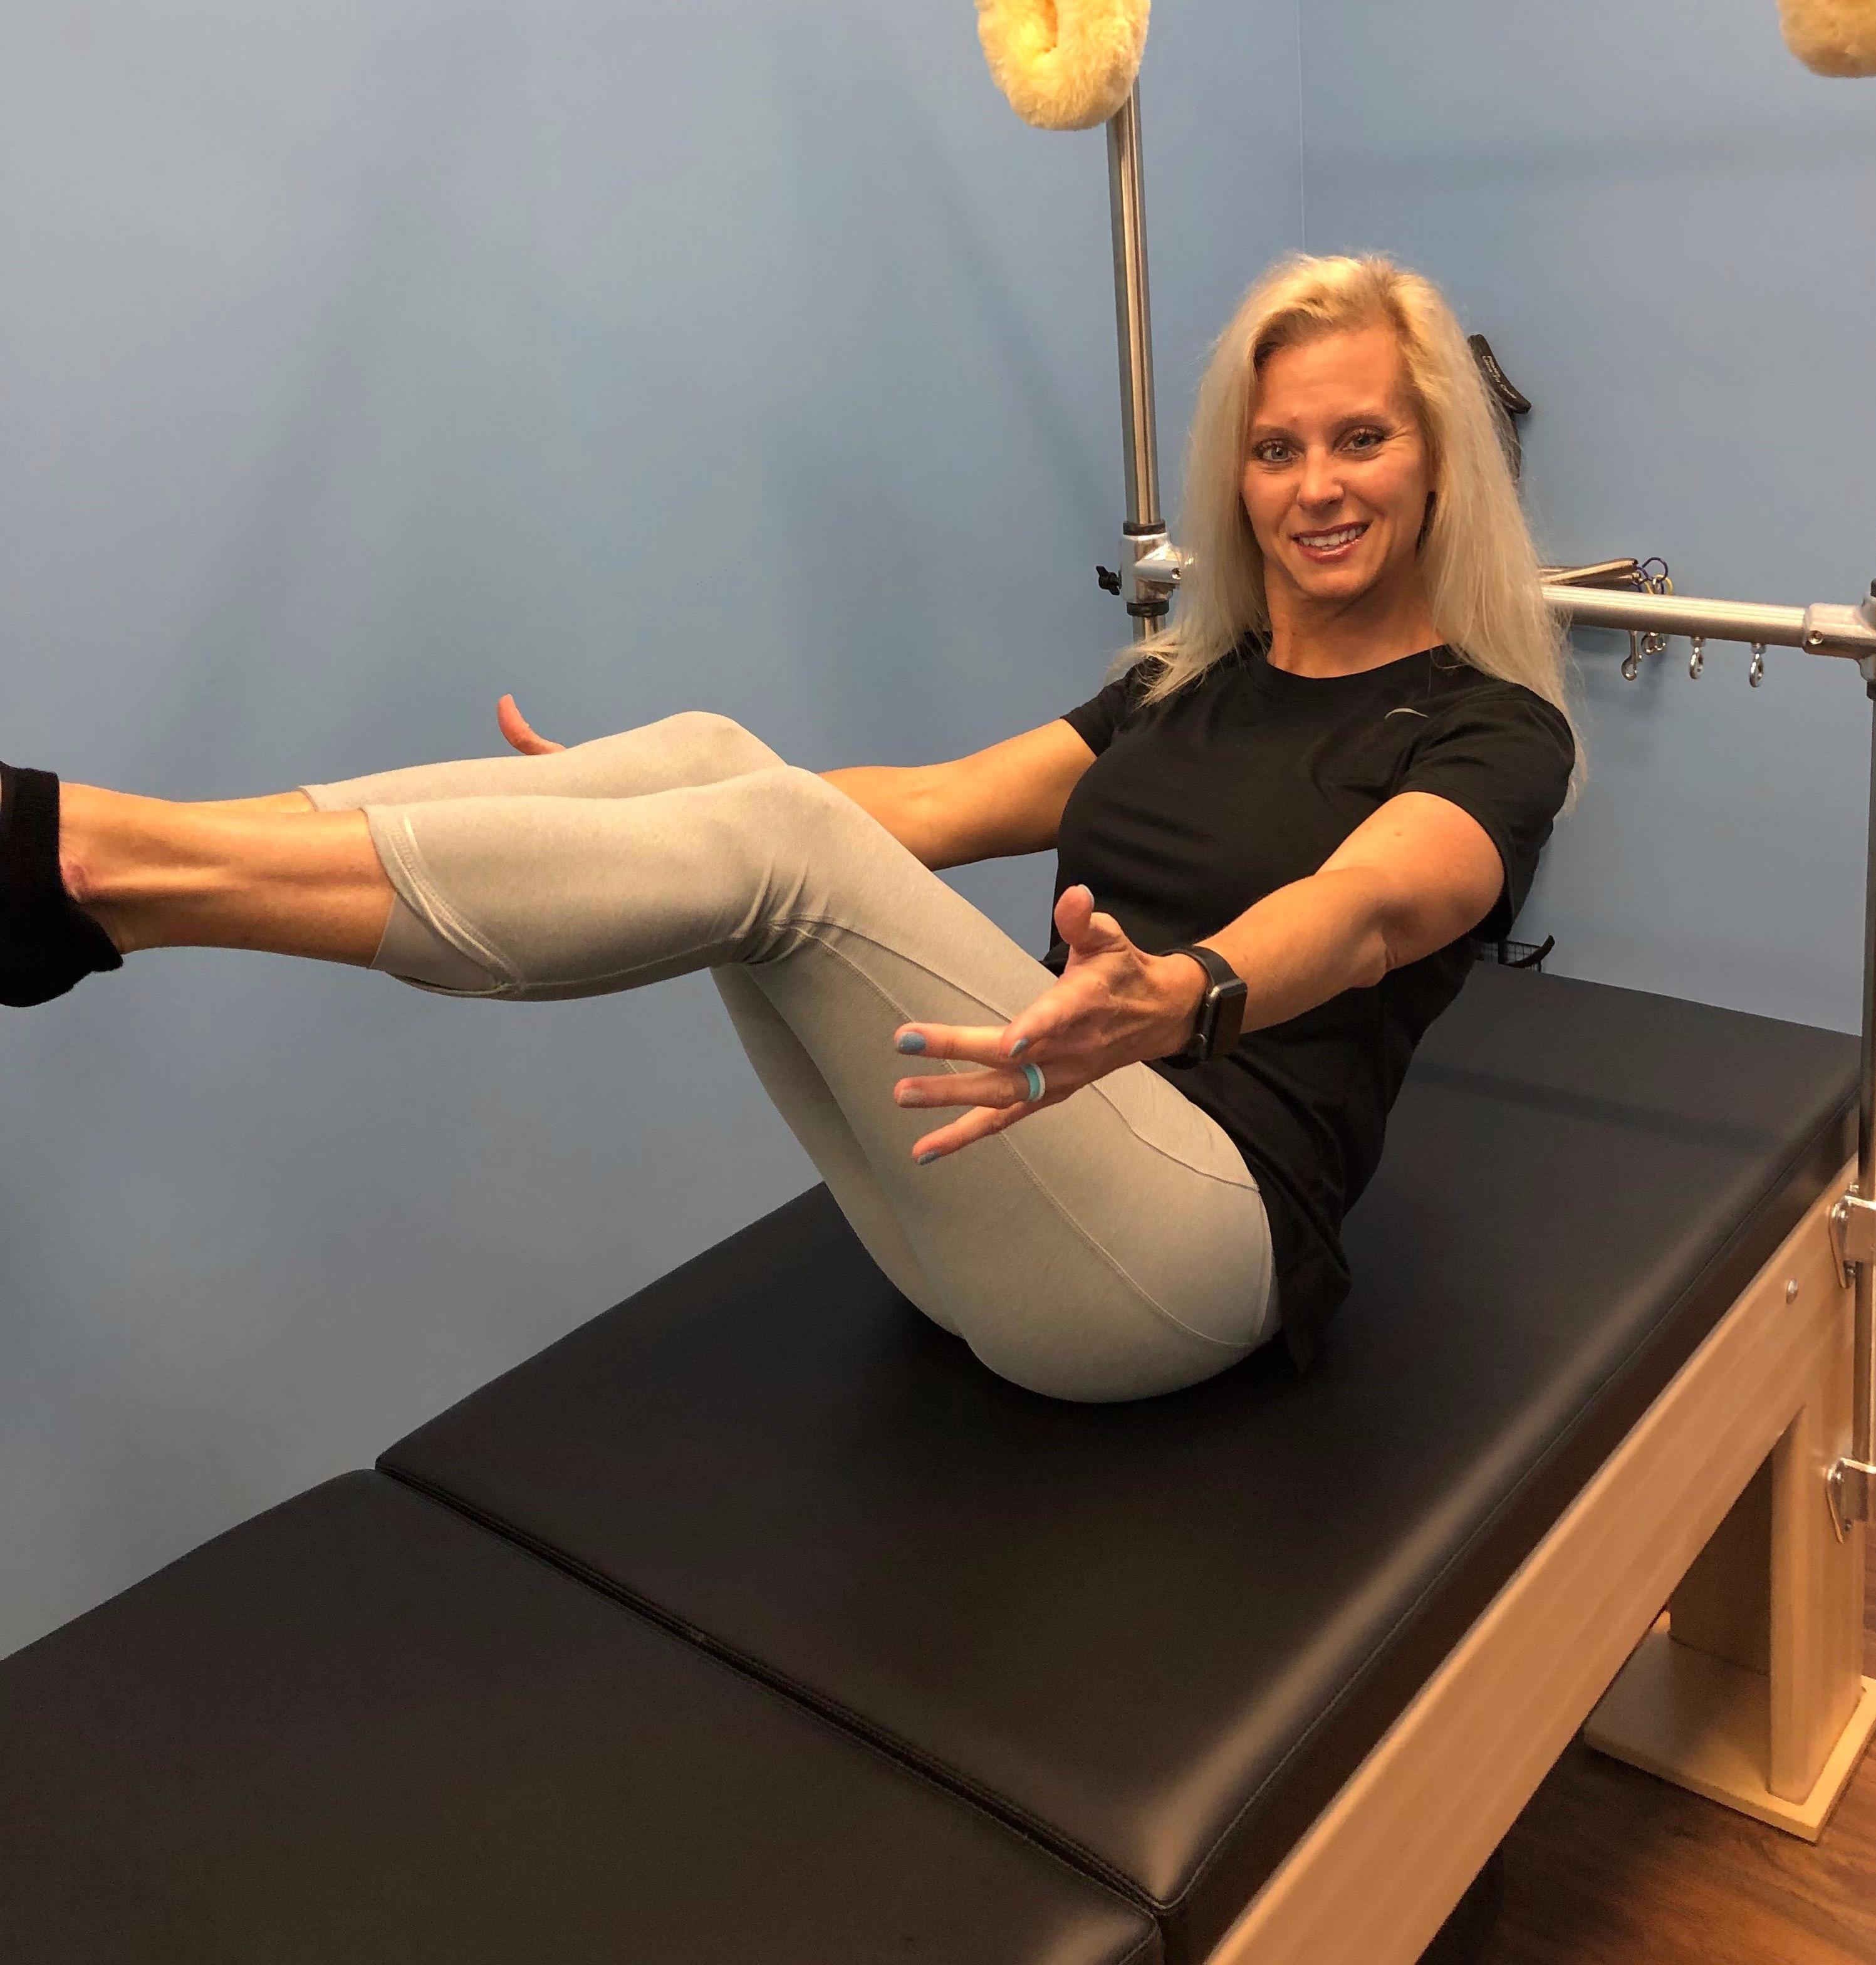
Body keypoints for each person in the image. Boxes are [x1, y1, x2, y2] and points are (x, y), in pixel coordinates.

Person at [0, 253, 1576, 1400]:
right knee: (716, 759)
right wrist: (641, 801)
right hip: (997, 1176)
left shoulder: (1494, 728)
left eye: (1361, 438)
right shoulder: (1188, 682)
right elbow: (932, 805)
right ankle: (107, 856)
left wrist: (1187, 991)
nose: (1315, 485)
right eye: (1277, 447)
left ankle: (95, 869)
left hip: (1189, 1250)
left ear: (1439, 460)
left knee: (768, 839)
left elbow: (1372, 907)